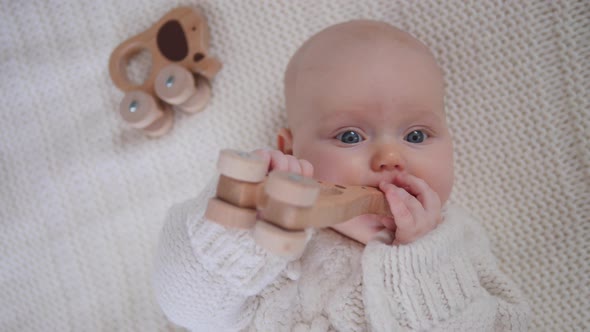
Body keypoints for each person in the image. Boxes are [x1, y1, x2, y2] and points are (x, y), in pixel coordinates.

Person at [153, 20, 530, 331]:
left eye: (416, 135)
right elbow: (185, 310)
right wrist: (240, 227)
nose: (390, 157)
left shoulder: (455, 243)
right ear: (290, 151)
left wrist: (419, 259)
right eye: (350, 136)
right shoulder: (273, 241)